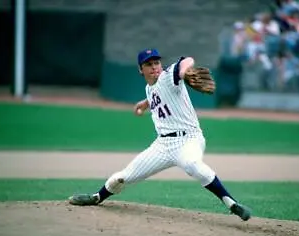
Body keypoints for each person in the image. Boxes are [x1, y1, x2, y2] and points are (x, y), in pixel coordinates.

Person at [68, 48, 251, 221]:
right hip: (162, 146)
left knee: (192, 164)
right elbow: (156, 93)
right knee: (122, 177)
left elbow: (187, 60)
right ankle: (97, 197)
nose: (154, 67)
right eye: (149, 64)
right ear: (141, 70)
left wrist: (186, 71)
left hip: (189, 139)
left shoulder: (168, 76)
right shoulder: (150, 88)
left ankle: (232, 204)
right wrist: (145, 103)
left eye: (156, 62)